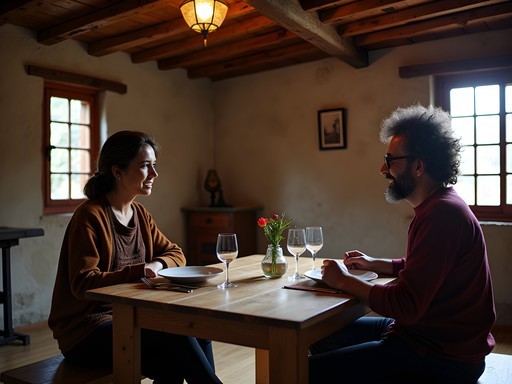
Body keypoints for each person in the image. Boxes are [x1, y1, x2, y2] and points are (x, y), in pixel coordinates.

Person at [309, 105, 496, 383]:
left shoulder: (441, 215)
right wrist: (378, 263)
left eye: (390, 160)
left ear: (419, 166)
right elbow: (429, 268)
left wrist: (345, 281)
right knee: (321, 336)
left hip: (442, 356)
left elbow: (406, 304)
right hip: (424, 335)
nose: (383, 168)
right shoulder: (440, 205)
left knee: (303, 372)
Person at [48, 130, 222, 384]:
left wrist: (156, 263)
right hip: (85, 331)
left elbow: (176, 253)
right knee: (177, 339)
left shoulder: (139, 214)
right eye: (145, 166)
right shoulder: (90, 216)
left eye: (154, 166)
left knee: (195, 330)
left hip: (129, 317)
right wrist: (139, 271)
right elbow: (83, 283)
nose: (154, 174)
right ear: (117, 172)